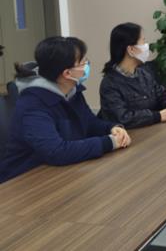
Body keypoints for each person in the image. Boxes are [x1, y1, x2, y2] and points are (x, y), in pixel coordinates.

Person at [0, 37, 130, 183]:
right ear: (67, 73)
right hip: (25, 181)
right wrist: (108, 142)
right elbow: (56, 151)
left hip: (62, 172)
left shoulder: (72, 90)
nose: (87, 65)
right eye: (83, 62)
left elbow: (89, 123)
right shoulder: (32, 104)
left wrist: (112, 128)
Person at [99, 23, 166, 128]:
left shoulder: (144, 73)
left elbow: (163, 94)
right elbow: (122, 118)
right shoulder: (110, 84)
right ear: (131, 50)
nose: (146, 46)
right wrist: (158, 116)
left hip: (152, 130)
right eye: (143, 41)